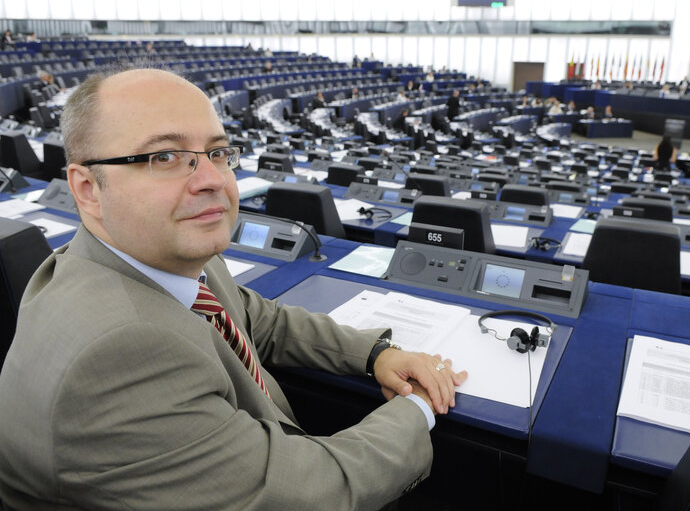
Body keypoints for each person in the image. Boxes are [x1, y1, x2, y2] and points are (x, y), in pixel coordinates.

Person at [0, 67, 467, 508]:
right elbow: (313, 494)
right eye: (164, 157)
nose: (211, 180)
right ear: (86, 189)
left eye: (218, 153)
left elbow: (256, 318)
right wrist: (419, 408)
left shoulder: (170, 253)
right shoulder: (115, 357)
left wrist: (375, 355)